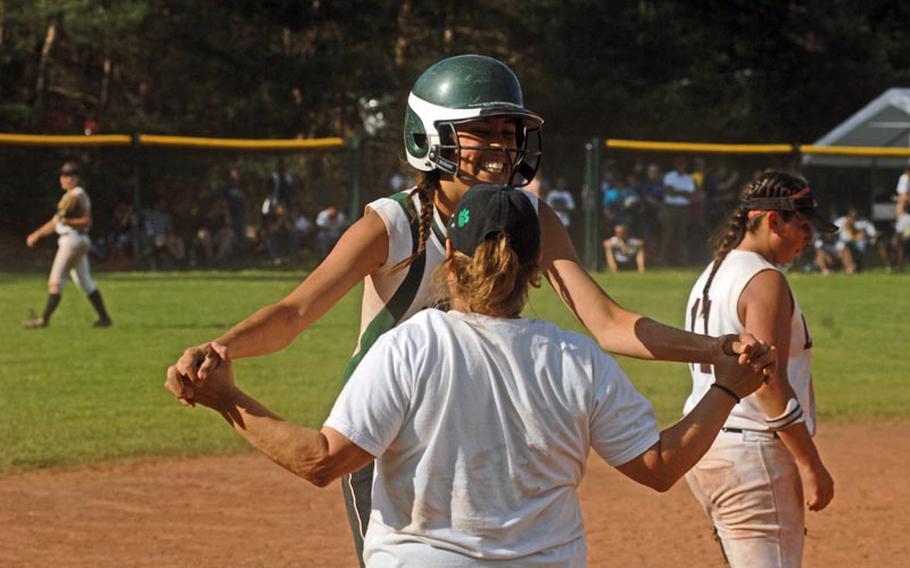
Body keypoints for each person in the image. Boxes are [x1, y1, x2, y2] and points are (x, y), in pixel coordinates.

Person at [168, 54, 770, 567]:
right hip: (383, 426)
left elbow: (607, 321)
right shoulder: (395, 221)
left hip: (473, 416)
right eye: (485, 130)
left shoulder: (530, 216)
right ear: (431, 135)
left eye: (510, 132)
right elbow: (296, 311)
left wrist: (711, 348)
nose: (503, 145)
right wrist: (221, 348)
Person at [683, 171, 835, 567]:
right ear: (772, 221)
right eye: (801, 226)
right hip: (752, 457)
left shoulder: (713, 273)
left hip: (709, 445)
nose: (809, 238)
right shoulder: (764, 279)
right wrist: (809, 462)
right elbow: (767, 383)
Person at [24, 161, 112, 328]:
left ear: (76, 178)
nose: (64, 179)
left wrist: (67, 220)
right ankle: (104, 318)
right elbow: (55, 222)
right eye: (63, 175)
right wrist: (37, 234)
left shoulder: (76, 194)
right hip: (77, 240)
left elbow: (86, 221)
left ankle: (44, 320)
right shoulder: (68, 196)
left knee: (55, 281)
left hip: (72, 241)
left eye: (69, 175)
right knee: (84, 281)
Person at [660, 157, 696, 266]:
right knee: (668, 234)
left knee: (682, 235)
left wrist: (677, 191)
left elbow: (690, 195)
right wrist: (683, 193)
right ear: (675, 165)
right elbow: (669, 192)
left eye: (683, 164)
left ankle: (682, 260)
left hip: (683, 209)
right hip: (670, 207)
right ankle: (664, 260)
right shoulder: (669, 176)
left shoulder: (688, 178)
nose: (681, 167)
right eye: (679, 164)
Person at [834, 206, 878, 273]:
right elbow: (832, 232)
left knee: (862, 245)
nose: (854, 215)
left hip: (859, 243)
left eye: (856, 213)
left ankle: (854, 267)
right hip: (844, 242)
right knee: (844, 247)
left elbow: (873, 233)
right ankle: (850, 267)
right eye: (852, 213)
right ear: (849, 213)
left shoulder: (864, 222)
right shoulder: (842, 221)